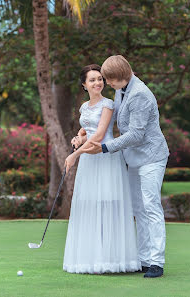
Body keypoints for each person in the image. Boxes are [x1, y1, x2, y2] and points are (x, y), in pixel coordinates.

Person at [81, 55, 170, 278]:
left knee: (151, 207)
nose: (107, 84)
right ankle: (144, 259)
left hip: (151, 156)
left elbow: (136, 135)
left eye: (109, 80)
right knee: (138, 208)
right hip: (133, 158)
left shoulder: (140, 94)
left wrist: (105, 148)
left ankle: (157, 262)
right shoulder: (122, 89)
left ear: (121, 76)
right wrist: (85, 132)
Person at [62, 64, 140, 274]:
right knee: (89, 203)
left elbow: (99, 134)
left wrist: (75, 154)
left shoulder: (108, 104)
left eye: (100, 79)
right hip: (89, 160)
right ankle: (91, 258)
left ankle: (110, 258)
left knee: (107, 204)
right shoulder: (84, 107)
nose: (97, 83)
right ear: (84, 85)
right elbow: (87, 129)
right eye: (92, 80)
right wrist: (79, 137)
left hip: (105, 156)